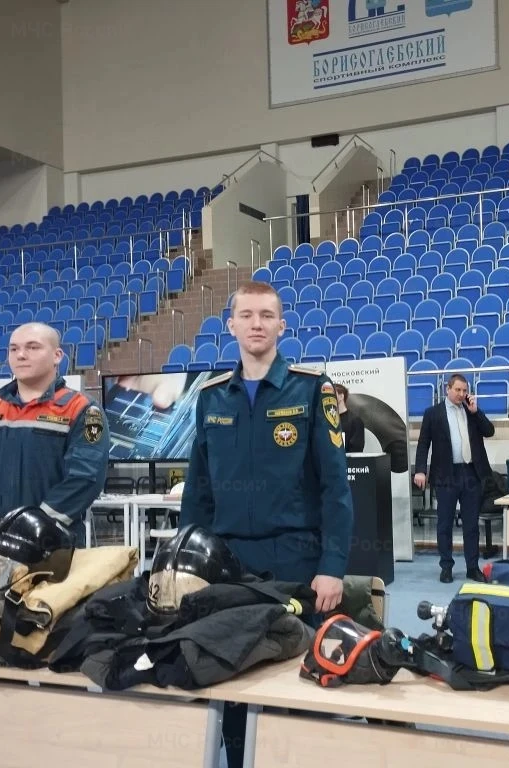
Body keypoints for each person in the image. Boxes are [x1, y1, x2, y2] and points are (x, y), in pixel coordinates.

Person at [179, 280, 354, 768]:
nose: (256, 324)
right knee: (229, 676)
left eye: (266, 315)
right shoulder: (211, 397)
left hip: (295, 561)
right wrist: (183, 564)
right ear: (231, 325)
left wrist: (332, 566)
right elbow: (198, 492)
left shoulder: (312, 388)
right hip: (227, 564)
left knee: (295, 680)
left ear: (282, 325)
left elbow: (335, 488)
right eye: (247, 315)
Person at [0, 322, 110, 554]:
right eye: (13, 349)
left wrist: (30, 534)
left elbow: (84, 479)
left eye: (33, 347)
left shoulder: (82, 410)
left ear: (57, 356)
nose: (21, 355)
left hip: (53, 549)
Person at [413, 374, 495, 583]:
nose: (461, 394)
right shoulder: (433, 413)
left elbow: (489, 431)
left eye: (464, 390)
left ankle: (472, 567)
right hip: (446, 475)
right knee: (445, 524)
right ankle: (446, 566)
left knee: (471, 525)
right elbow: (423, 443)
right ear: (447, 389)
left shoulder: (471, 411)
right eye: (458, 390)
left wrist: (476, 412)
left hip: (471, 473)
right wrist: (420, 470)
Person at [334, 383, 366, 453]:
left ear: (341, 396)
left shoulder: (355, 421)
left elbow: (356, 449)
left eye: (332, 395)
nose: (329, 398)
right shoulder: (327, 421)